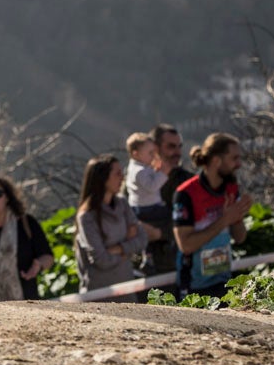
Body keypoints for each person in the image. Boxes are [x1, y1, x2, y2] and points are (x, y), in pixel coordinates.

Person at [172, 133, 253, 299]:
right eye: (234, 158)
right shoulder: (186, 194)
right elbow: (186, 245)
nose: (239, 164)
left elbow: (240, 238)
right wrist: (225, 220)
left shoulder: (230, 189)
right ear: (216, 160)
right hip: (195, 288)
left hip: (224, 281)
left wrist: (237, 216)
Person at [76, 155, 153, 302]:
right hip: (100, 295)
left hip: (127, 289)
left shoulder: (123, 204)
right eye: (117, 174)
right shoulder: (87, 217)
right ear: (103, 178)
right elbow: (101, 259)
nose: (122, 178)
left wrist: (117, 248)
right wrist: (127, 250)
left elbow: (142, 239)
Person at [0, 172, 54, 301]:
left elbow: (47, 256)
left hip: (26, 301)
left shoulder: (26, 223)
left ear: (7, 197)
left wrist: (38, 265)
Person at [145, 123, 189, 283]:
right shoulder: (138, 180)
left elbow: (195, 221)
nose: (177, 152)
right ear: (155, 148)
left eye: (179, 147)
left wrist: (161, 233)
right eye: (171, 146)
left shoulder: (189, 182)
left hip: (179, 265)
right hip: (145, 268)